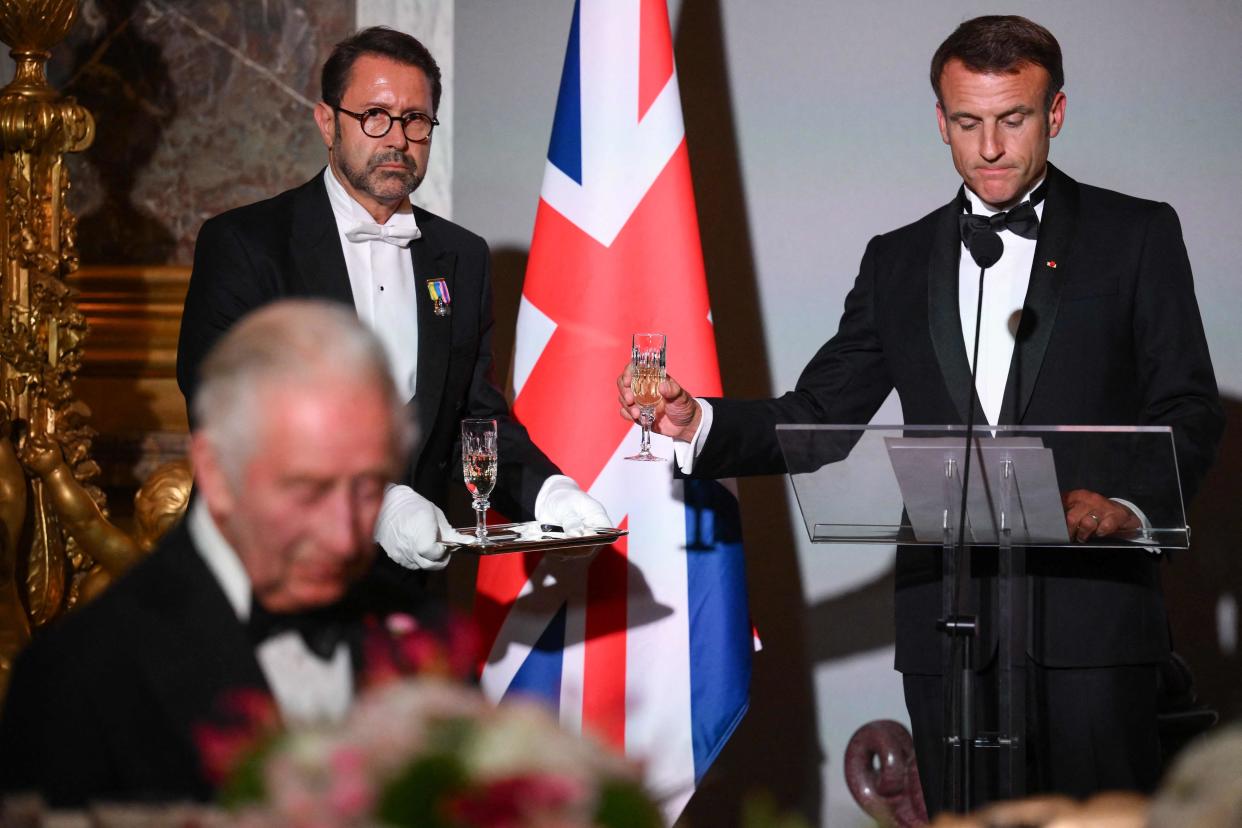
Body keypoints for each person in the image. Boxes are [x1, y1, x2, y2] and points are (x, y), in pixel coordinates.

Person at [618, 14, 1223, 815]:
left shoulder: (1137, 234)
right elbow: (821, 414)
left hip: (1094, 626)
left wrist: (1125, 505)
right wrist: (698, 421)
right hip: (948, 624)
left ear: (1057, 113)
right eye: (968, 122)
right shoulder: (896, 258)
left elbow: (1188, 406)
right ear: (941, 121)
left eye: (1014, 119)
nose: (991, 146)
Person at [177, 27, 608, 576]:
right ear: (328, 122)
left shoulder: (461, 256)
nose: (397, 139)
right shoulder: (247, 243)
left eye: (416, 120)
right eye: (374, 116)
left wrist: (549, 493)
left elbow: (471, 421)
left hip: (403, 592)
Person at [0, 300, 437, 806]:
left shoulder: (423, 638)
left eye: (369, 490)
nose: (344, 537)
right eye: (308, 491)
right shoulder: (78, 675)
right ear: (214, 471)